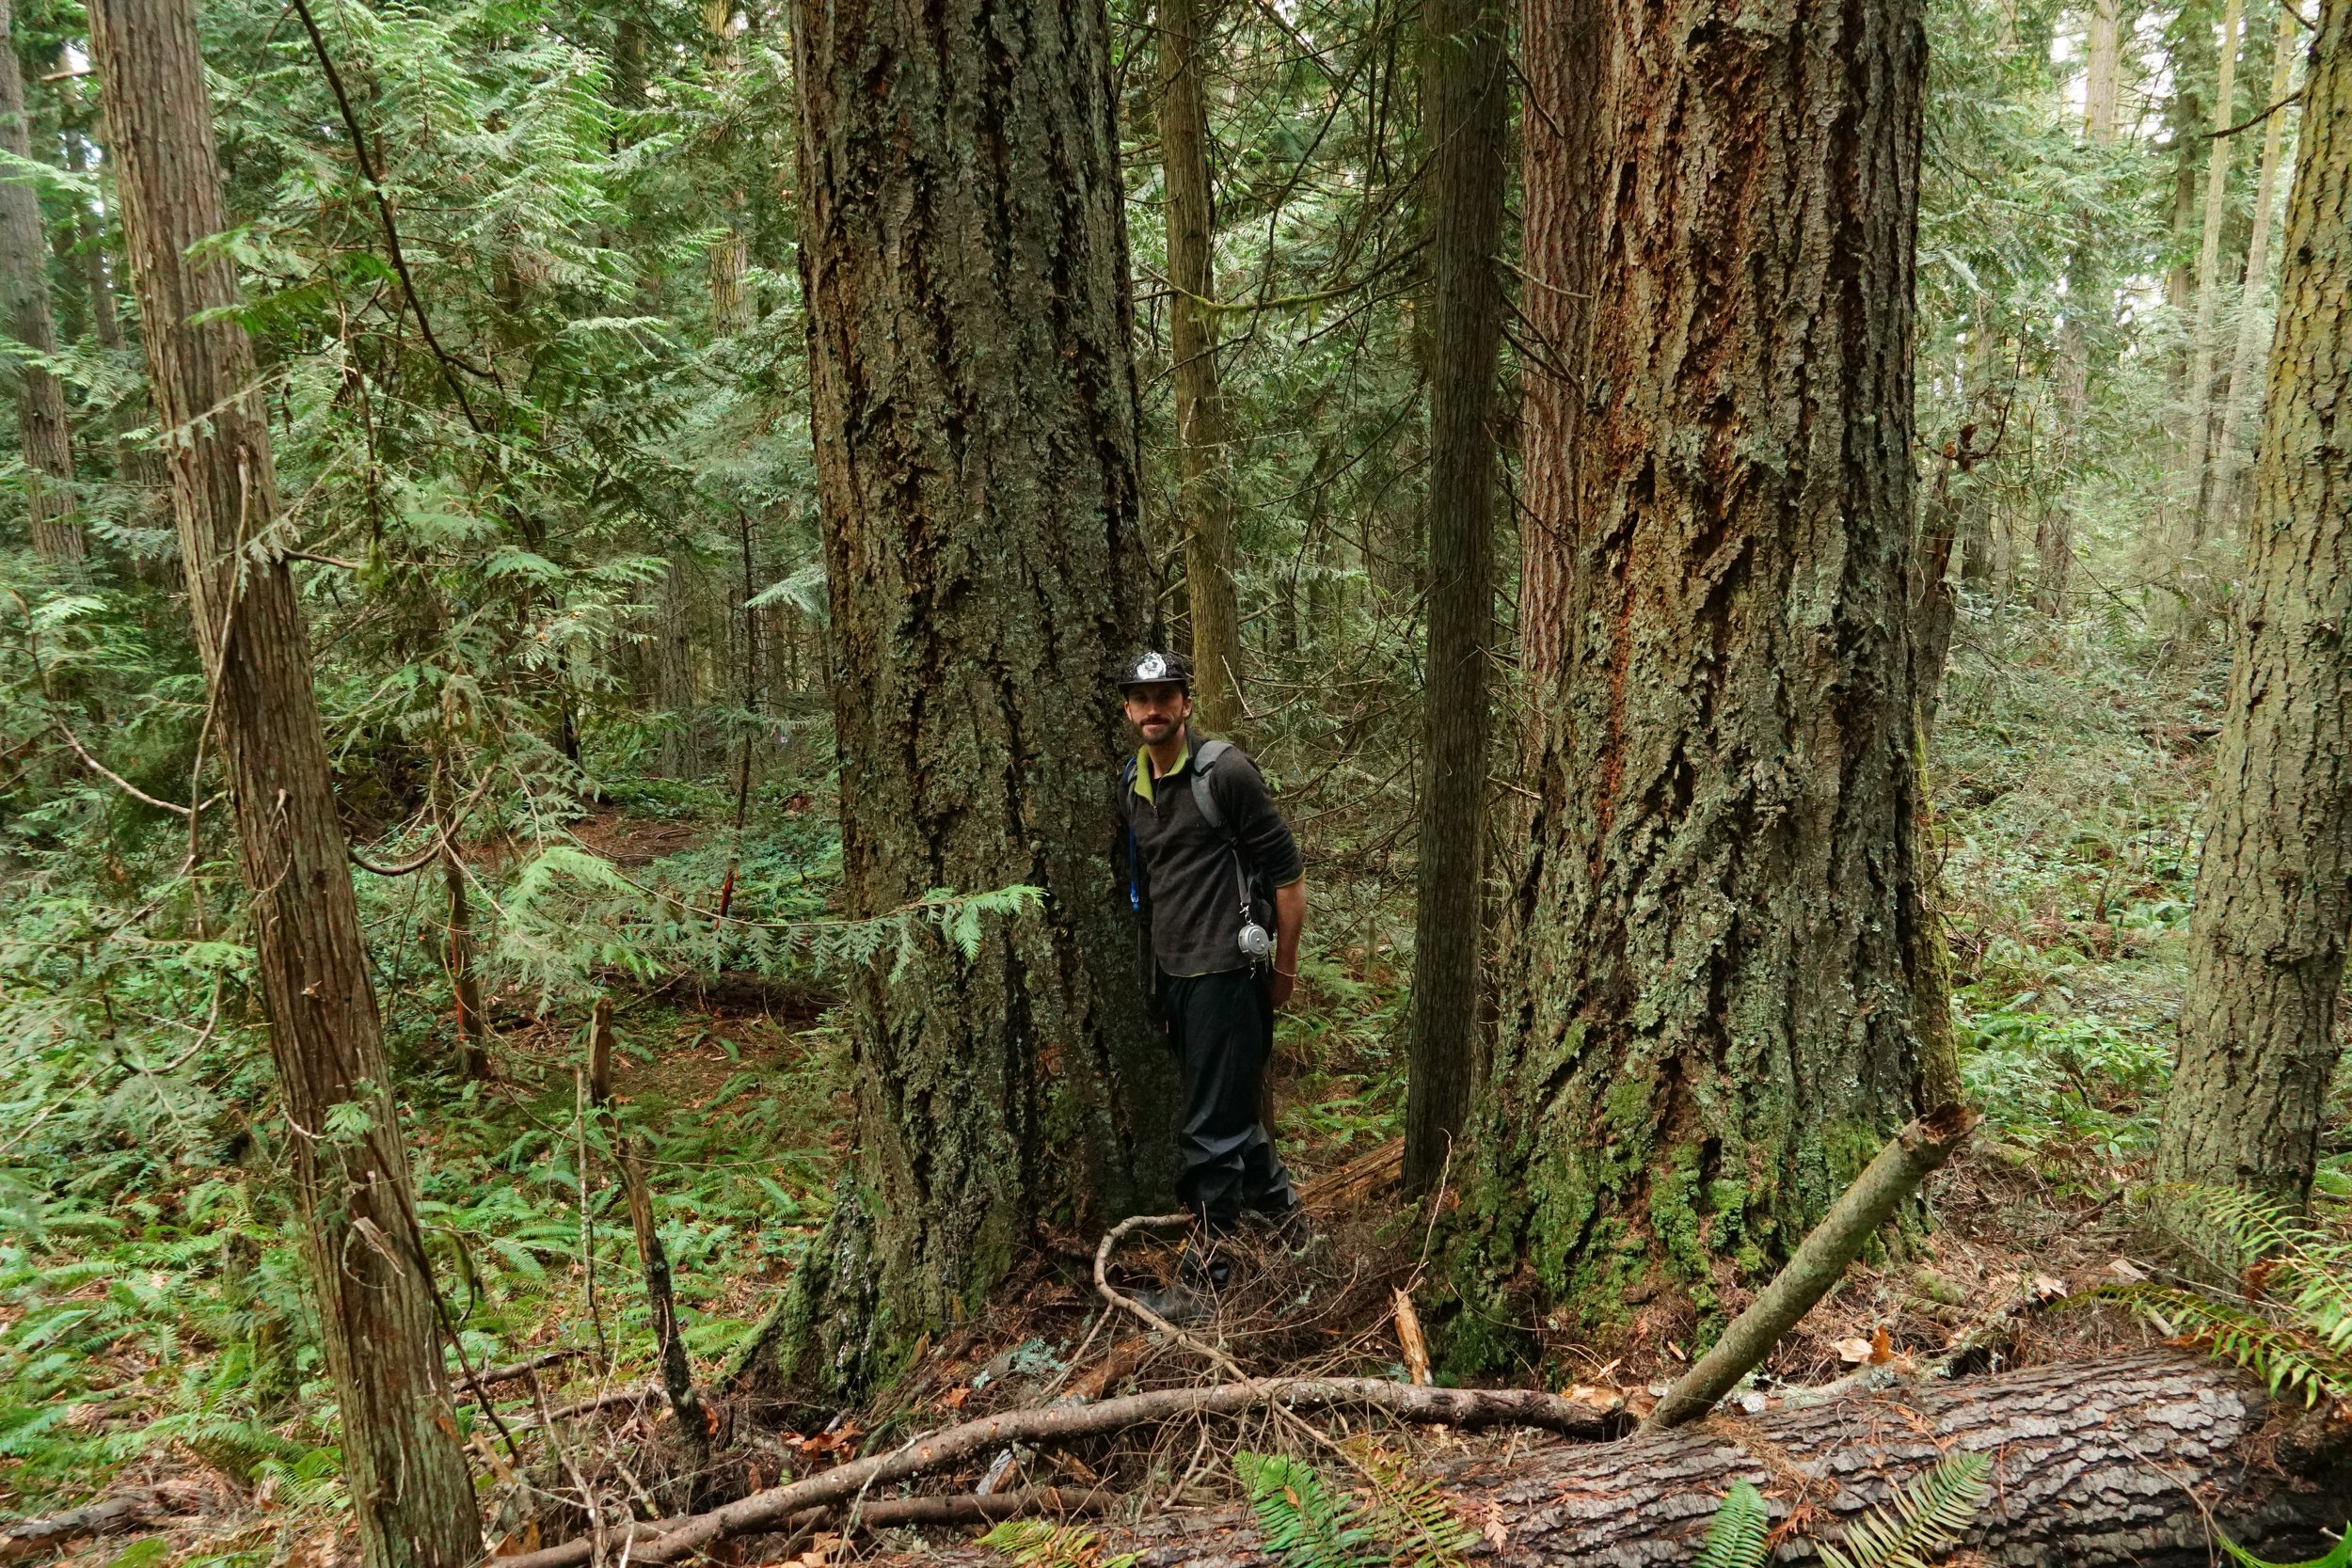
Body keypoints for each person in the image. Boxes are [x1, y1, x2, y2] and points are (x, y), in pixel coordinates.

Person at [1114, 651, 1308, 1316]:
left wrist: (1284, 968)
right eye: (1141, 699)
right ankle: (1291, 1231)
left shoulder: (1224, 772)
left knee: (1209, 1132)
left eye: (1165, 696)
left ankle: (1210, 1277)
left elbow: (1288, 875)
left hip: (1228, 973)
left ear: (1186, 703)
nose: (1153, 709)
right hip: (1178, 978)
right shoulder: (1132, 784)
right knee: (1231, 1116)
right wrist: (1162, 989)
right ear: (1128, 709)